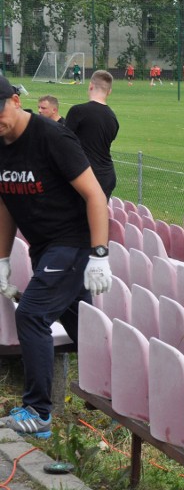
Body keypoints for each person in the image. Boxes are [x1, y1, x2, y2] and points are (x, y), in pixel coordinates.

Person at [0, 75, 112, 439]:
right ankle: (113, 390)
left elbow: (95, 195)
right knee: (81, 322)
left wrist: (99, 253)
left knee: (31, 314)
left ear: (16, 100)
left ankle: (39, 411)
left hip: (74, 241)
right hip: (44, 246)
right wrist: (2, 259)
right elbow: (6, 203)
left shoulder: (52, 137)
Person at [65, 70, 119, 200]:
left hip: (83, 176)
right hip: (106, 177)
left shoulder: (77, 111)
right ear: (109, 91)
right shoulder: (113, 118)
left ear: (90, 86)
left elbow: (63, 143)